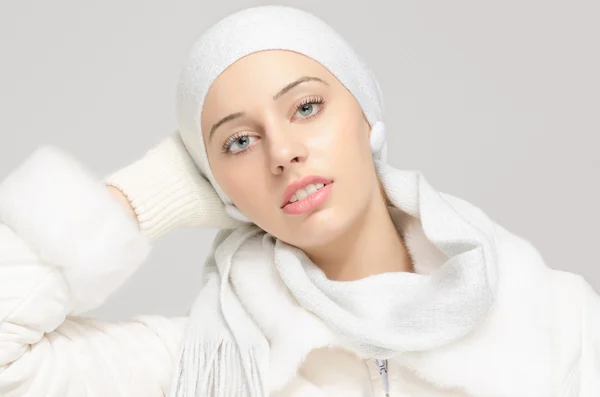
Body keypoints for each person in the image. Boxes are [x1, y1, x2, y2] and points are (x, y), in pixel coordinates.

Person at [0, 5, 598, 397]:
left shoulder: (555, 316)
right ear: (216, 186)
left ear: (366, 116)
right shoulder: (203, 360)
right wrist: (142, 196)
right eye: (239, 141)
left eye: (306, 107)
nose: (282, 152)